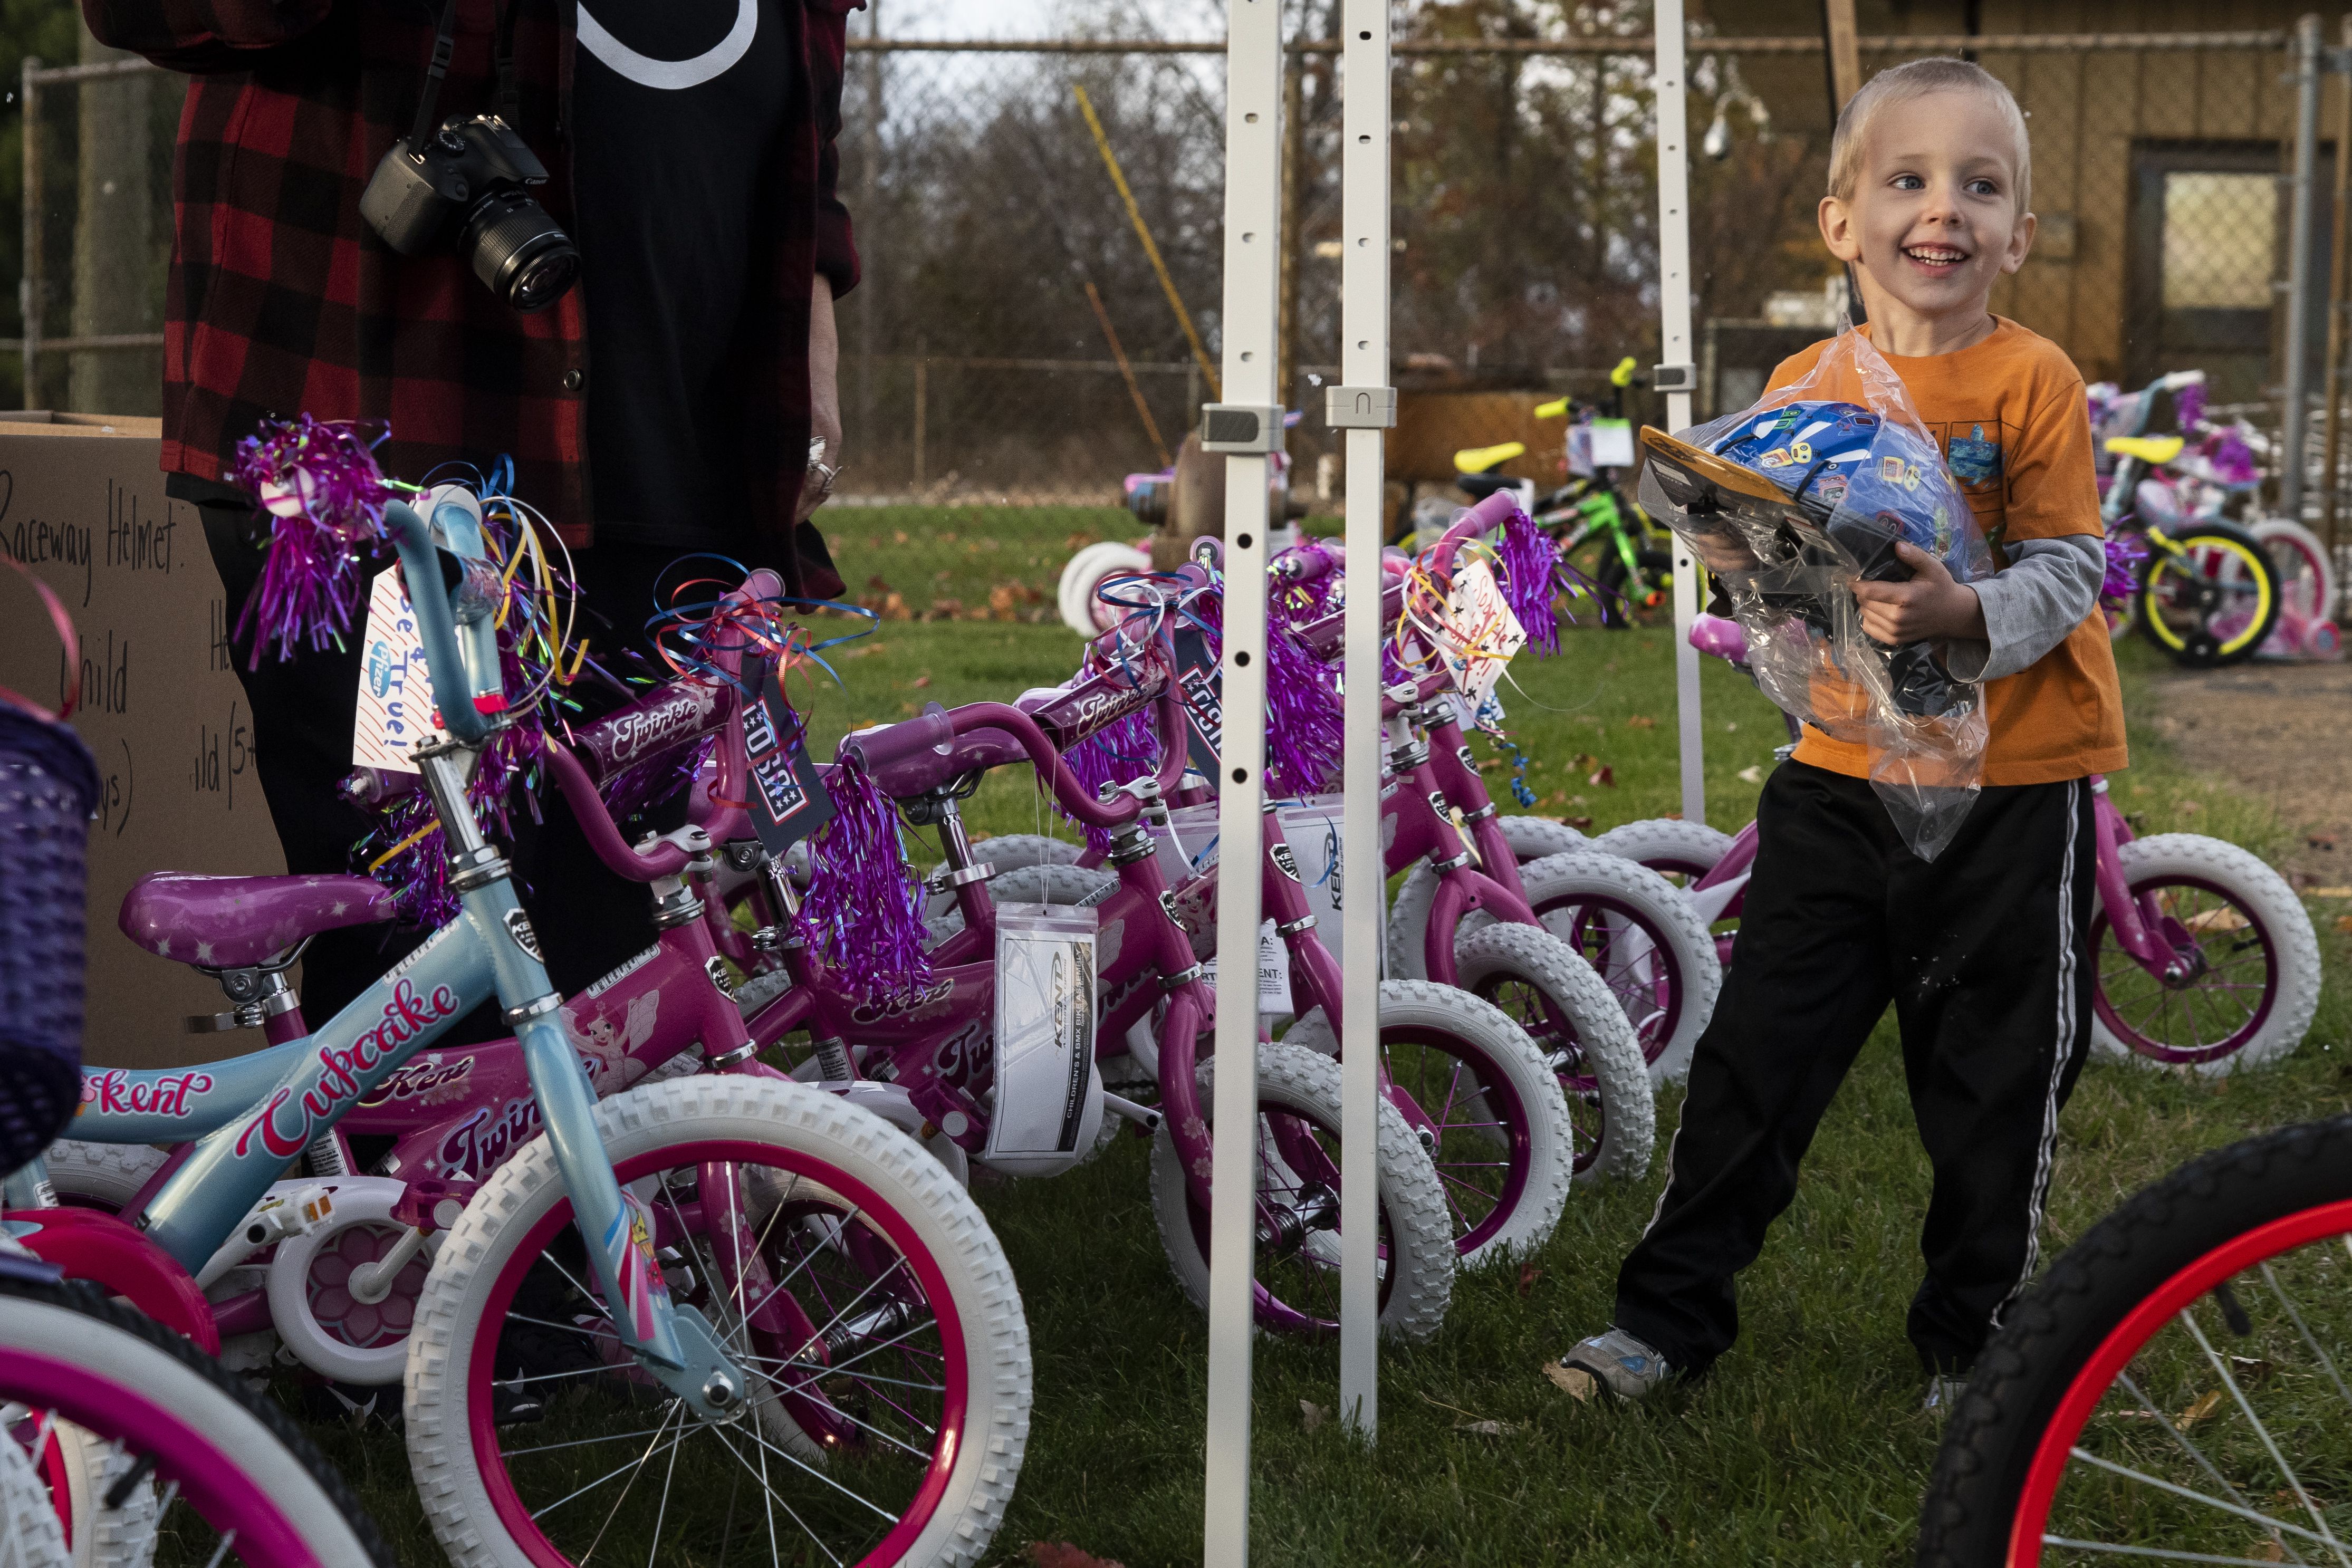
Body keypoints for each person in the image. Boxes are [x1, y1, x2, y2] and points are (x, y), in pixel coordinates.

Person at [83, 0, 860, 1024]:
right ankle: (406, 1188)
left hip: (682, 456)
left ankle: (608, 1179)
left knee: (625, 939)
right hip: (385, 471)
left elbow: (803, 115)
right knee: (417, 954)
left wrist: (812, 313)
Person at [1560, 57, 2126, 1408]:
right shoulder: (1804, 381)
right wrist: (1734, 547)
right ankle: (1665, 1322)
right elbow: (1784, 576)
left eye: (1979, 186)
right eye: (1908, 180)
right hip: (1837, 776)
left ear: (2019, 234)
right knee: (1758, 1053)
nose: (1943, 211)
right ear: (1841, 222)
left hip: (2015, 788)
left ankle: (1974, 1343)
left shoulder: (2031, 378)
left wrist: (1960, 608)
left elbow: (2069, 567)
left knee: (1992, 1085)